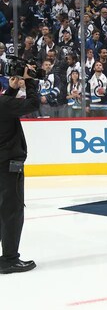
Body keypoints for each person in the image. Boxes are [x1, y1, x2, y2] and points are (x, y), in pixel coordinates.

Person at [0, 66, 39, 274]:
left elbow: (5, 105)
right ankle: (9, 259)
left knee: (2, 210)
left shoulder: (4, 102)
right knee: (12, 211)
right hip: (8, 165)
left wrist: (12, 90)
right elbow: (33, 104)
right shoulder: (4, 104)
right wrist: (30, 81)